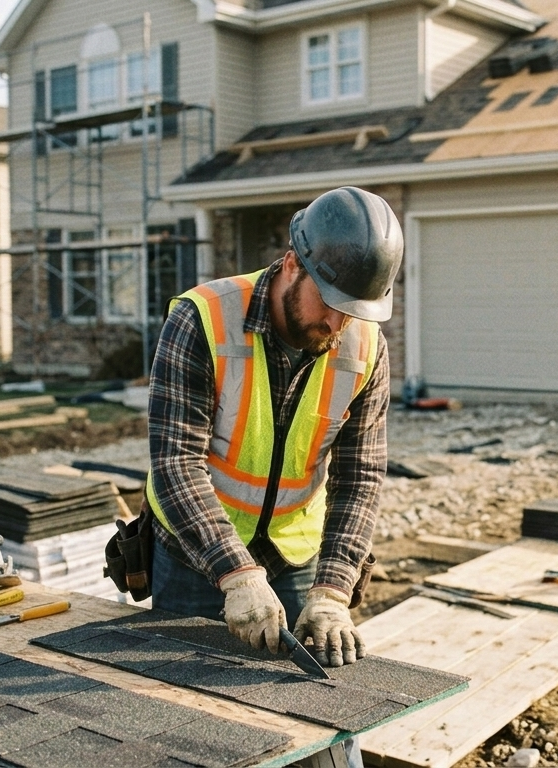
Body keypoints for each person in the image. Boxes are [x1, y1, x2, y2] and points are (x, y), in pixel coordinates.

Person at [145, 186, 400, 674]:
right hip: (194, 553)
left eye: (354, 308)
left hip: (294, 558)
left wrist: (333, 590)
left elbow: (360, 476)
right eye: (328, 300)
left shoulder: (366, 347)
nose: (336, 321)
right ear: (291, 265)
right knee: (175, 696)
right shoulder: (202, 319)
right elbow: (175, 462)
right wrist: (236, 574)